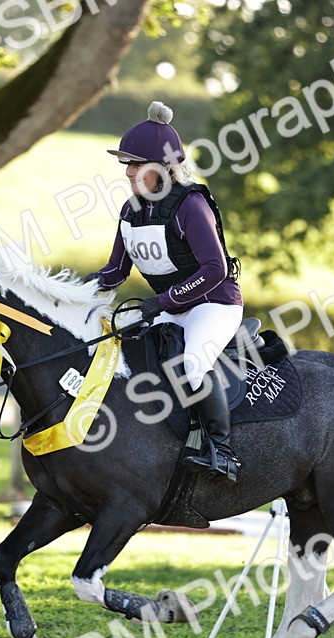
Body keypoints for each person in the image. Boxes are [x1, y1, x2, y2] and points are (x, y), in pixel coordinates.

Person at [88, 101, 244, 482]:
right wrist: (69, 293)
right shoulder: (131, 211)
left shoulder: (190, 205)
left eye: (136, 164)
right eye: (127, 164)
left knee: (192, 364)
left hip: (214, 303)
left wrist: (164, 302)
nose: (128, 172)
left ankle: (222, 452)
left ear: (163, 168)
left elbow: (215, 268)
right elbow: (115, 271)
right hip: (171, 307)